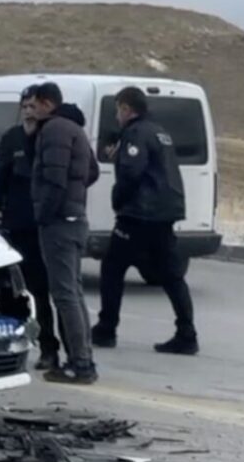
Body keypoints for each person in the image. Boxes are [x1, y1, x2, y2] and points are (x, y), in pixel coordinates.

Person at [92, 87, 198, 355]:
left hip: (140, 214)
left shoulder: (136, 133)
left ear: (127, 108)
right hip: (164, 214)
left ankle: (106, 329)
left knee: (112, 268)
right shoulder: (159, 132)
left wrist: (118, 200)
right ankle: (187, 333)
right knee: (172, 275)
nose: (117, 116)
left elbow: (131, 172)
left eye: (118, 109)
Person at [26, 82, 99, 384]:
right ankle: (83, 358)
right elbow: (91, 171)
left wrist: (44, 213)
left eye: (33, 105)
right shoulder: (74, 129)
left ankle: (80, 363)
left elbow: (54, 178)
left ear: (46, 103)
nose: (31, 111)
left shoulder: (54, 129)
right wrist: (76, 192)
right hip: (74, 218)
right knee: (74, 292)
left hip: (60, 223)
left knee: (65, 295)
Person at [0, 85, 61, 371]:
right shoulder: (12, 138)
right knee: (9, 292)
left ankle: (49, 348)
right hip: (14, 224)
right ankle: (8, 347)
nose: (30, 112)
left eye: (34, 106)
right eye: (26, 107)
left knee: (41, 292)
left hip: (40, 226)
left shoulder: (48, 137)